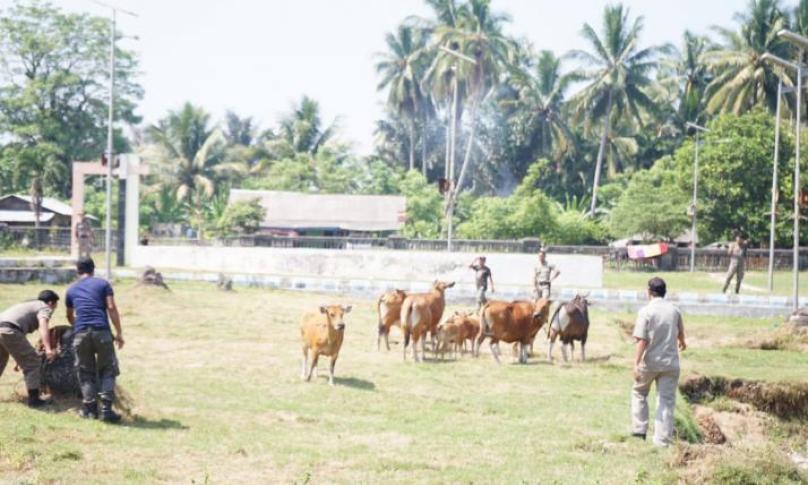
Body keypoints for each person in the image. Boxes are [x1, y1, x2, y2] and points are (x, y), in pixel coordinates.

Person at [66, 257, 124, 422]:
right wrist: (119, 333)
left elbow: (69, 315)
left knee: (85, 371)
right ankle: (106, 410)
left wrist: (78, 327)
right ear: (93, 269)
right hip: (101, 331)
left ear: (78, 271)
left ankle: (90, 410)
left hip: (81, 333)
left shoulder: (71, 290)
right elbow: (111, 307)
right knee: (108, 369)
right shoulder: (103, 284)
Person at [630, 277, 687, 447]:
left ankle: (639, 431)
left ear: (649, 292)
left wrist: (635, 363)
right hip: (670, 363)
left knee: (639, 392)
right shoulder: (674, 311)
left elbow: (642, 340)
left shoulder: (646, 311)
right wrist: (682, 342)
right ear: (665, 292)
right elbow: (681, 333)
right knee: (666, 400)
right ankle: (662, 441)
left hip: (651, 362)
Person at [0, 290, 60, 407]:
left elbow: (20, 332)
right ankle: (34, 400)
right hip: (9, 330)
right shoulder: (44, 307)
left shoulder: (27, 304)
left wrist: (19, 359)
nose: (54, 310)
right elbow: (43, 326)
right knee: (33, 362)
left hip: (4, 328)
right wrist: (48, 349)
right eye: (55, 306)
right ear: (51, 303)